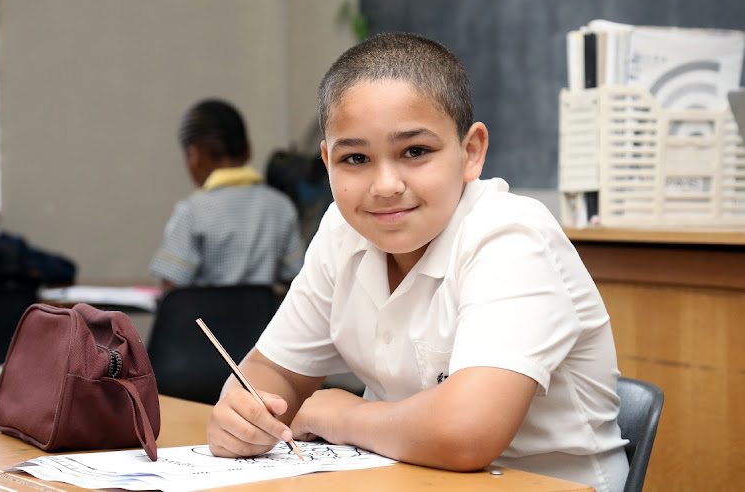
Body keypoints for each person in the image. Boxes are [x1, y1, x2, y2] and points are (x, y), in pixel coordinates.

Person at [207, 33, 629, 492]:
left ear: (470, 152)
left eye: (415, 151)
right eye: (355, 158)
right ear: (328, 163)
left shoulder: (510, 236)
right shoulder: (342, 231)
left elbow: (466, 434)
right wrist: (245, 413)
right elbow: (274, 373)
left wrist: (347, 414)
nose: (386, 184)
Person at [150, 99, 304, 292]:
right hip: (262, 322)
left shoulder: (192, 211)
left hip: (203, 323)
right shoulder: (280, 206)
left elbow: (169, 286)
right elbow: (298, 280)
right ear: (249, 149)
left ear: (194, 155)